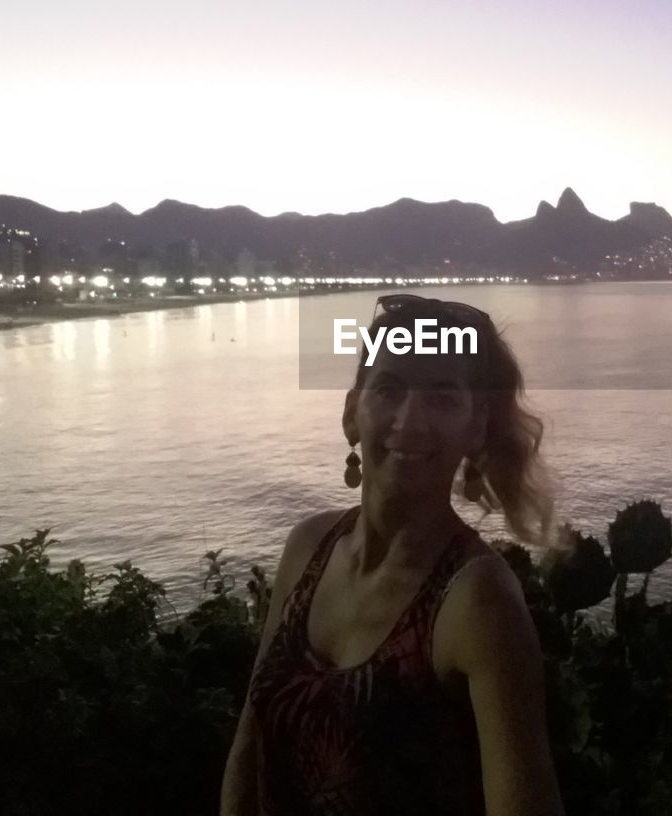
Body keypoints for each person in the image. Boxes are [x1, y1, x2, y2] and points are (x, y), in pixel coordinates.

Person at [220, 293, 566, 816]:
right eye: (389, 389)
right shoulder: (307, 548)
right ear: (351, 412)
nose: (410, 420)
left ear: (476, 428)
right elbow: (250, 743)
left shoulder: (477, 602)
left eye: (443, 397)